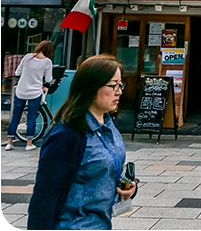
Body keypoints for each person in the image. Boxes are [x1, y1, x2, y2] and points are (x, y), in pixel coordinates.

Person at [27, 55, 136, 230]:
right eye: (112, 85)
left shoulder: (107, 122)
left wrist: (128, 187)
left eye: (120, 84)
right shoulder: (67, 134)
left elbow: (103, 169)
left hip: (100, 224)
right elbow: (45, 195)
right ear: (90, 87)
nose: (119, 91)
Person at [6, 40, 54, 151]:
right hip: (35, 92)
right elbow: (49, 79)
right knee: (31, 117)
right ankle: (29, 144)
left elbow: (18, 72)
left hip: (21, 91)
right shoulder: (47, 62)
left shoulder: (27, 57)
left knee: (15, 116)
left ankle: (9, 143)